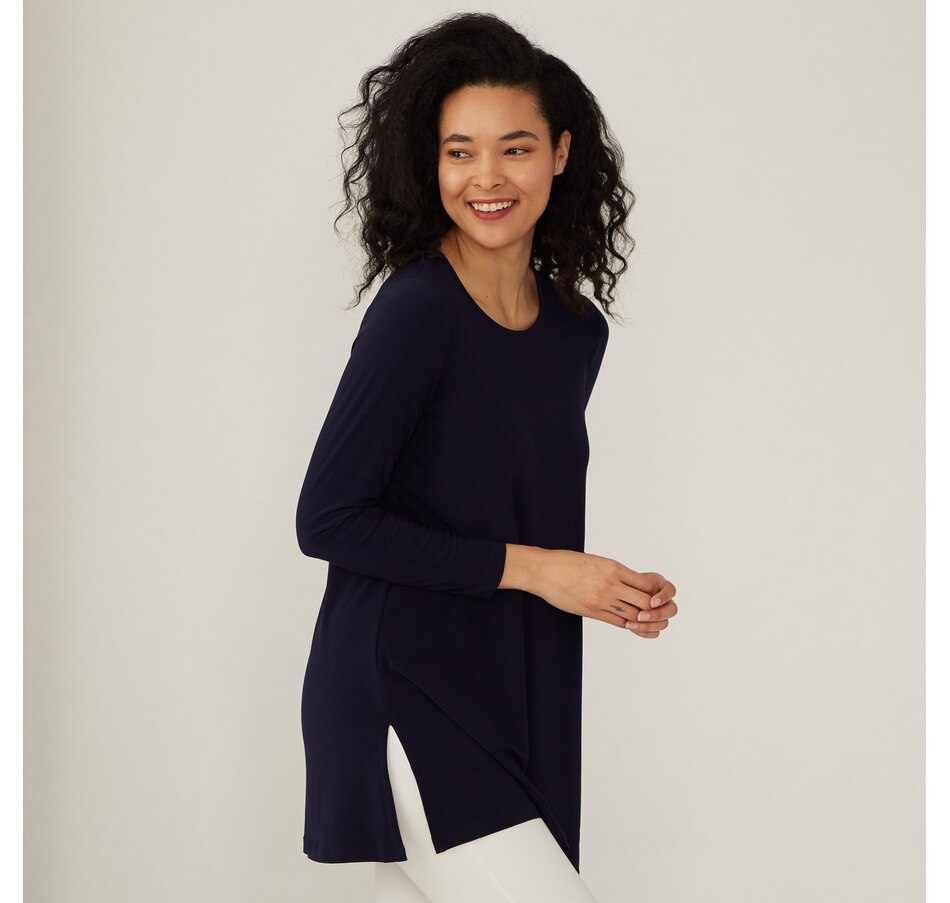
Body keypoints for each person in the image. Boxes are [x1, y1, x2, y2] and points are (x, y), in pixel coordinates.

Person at [295, 12, 679, 903]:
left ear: (561, 153)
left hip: (515, 689)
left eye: (515, 148)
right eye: (459, 151)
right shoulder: (418, 312)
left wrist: (604, 588)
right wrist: (545, 570)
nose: (487, 177)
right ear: (429, 165)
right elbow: (329, 519)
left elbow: (503, 503)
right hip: (406, 687)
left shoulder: (576, 332)